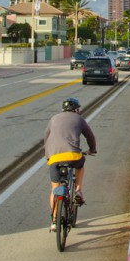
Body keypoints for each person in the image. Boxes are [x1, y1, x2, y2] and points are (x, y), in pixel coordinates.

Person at [44, 97, 96, 231]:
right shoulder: (79, 119)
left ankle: (54, 221)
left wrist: (48, 156)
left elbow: (46, 137)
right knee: (80, 165)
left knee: (54, 189)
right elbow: (90, 136)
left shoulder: (53, 119)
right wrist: (92, 150)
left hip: (54, 157)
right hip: (73, 156)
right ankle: (78, 190)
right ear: (76, 109)